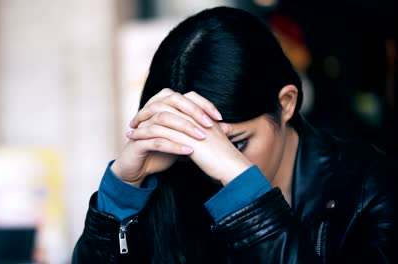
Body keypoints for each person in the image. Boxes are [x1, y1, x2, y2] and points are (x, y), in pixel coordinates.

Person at [72, 6, 397, 264]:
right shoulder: (171, 177)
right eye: (191, 145)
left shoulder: (370, 189)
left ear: (285, 104)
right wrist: (120, 195)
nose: (212, 164)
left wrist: (246, 196)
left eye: (236, 143)